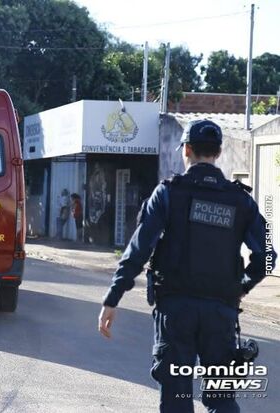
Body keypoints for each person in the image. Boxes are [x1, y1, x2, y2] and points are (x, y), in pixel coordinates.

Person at [97, 120, 276, 413]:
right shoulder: (241, 200)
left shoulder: (168, 193)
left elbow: (139, 250)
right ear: (218, 153)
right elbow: (267, 255)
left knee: (177, 400)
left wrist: (112, 299)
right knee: (222, 400)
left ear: (187, 150)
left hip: (175, 312)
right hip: (221, 313)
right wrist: (241, 286)